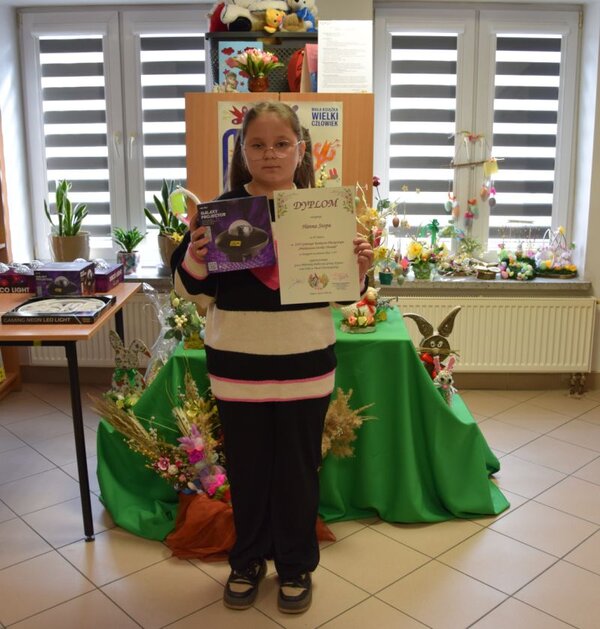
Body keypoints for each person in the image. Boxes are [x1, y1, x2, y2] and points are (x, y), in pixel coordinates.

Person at [171, 101, 373, 614]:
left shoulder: (324, 212)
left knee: (299, 472)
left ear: (300, 150)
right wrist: (195, 253)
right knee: (248, 470)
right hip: (237, 368)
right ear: (242, 150)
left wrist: (357, 269)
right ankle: (247, 561)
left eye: (282, 144)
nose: (270, 154)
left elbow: (343, 296)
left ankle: (296, 565)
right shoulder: (220, 214)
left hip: (306, 365)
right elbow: (192, 291)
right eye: (257, 144)